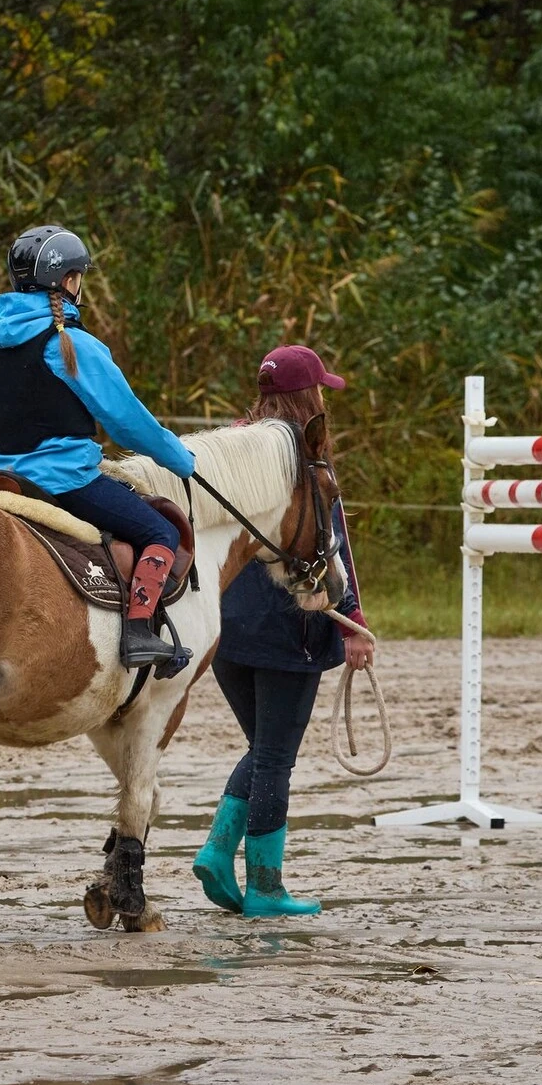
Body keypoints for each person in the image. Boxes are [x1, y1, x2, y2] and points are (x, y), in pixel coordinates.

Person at [192, 345, 372, 919]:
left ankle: (221, 854)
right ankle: (264, 886)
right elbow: (332, 544)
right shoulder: (306, 463)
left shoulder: (233, 452)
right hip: (289, 627)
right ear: (308, 398)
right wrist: (356, 627)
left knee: (263, 748)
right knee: (274, 756)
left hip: (225, 630)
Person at [0, 225, 196, 669]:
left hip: (5, 478)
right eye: (79, 275)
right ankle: (139, 633)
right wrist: (180, 459)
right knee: (162, 532)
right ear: (68, 281)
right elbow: (128, 422)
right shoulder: (73, 345)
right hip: (67, 482)